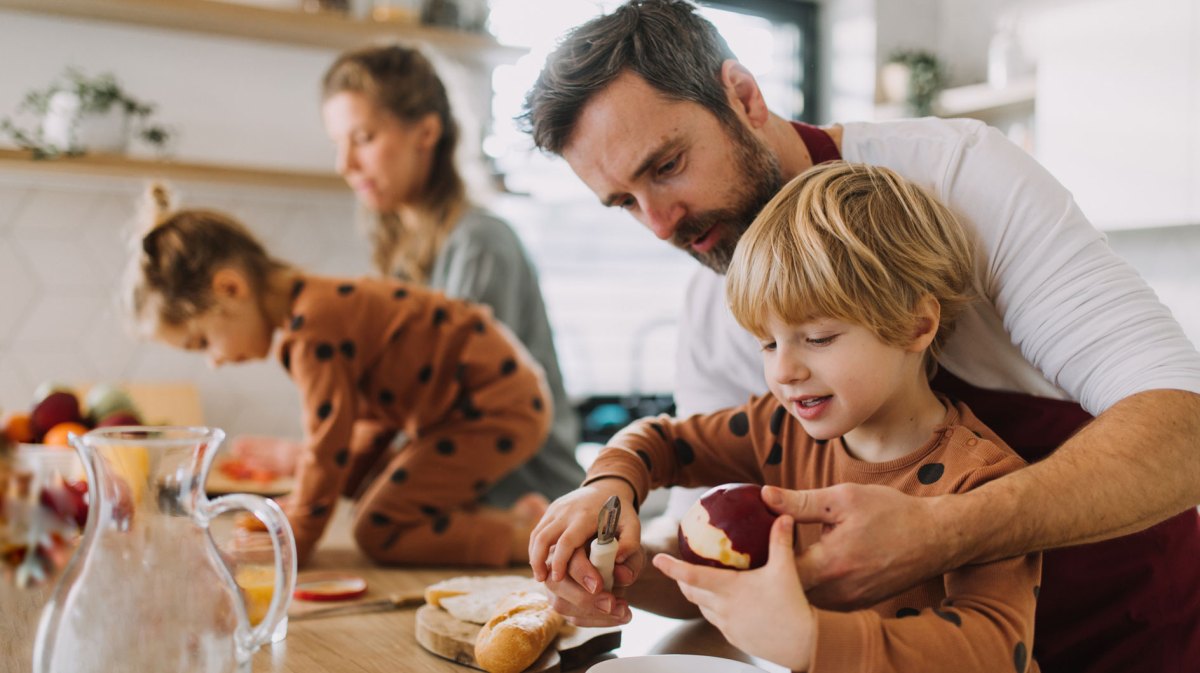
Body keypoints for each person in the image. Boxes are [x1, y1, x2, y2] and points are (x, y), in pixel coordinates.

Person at [519, 1, 1200, 670]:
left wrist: (943, 534)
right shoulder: (719, 306)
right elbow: (722, 552)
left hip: (1132, 632)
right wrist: (611, 545)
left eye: (666, 165)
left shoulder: (964, 178)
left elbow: (1186, 427)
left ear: (745, 96)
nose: (660, 224)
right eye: (623, 204)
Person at [533, 161, 1041, 672]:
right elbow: (661, 442)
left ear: (917, 324)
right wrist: (606, 494)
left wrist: (810, 639)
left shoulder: (981, 481)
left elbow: (996, 650)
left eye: (818, 338)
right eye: (767, 343)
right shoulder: (777, 430)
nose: (784, 370)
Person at [124, 184, 552, 568]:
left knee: (378, 530)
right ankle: (518, 519)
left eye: (202, 343)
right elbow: (362, 426)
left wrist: (299, 539)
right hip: (486, 401)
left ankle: (527, 541)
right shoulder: (317, 308)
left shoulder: (312, 329)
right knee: (367, 491)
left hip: (493, 404)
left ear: (230, 289)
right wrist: (308, 503)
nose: (212, 361)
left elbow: (327, 444)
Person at [316, 44, 584, 508]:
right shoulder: (405, 257)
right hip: (462, 501)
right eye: (337, 144)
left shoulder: (480, 243)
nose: (345, 164)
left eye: (363, 138)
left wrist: (325, 461)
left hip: (528, 503)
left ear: (426, 132)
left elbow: (444, 407)